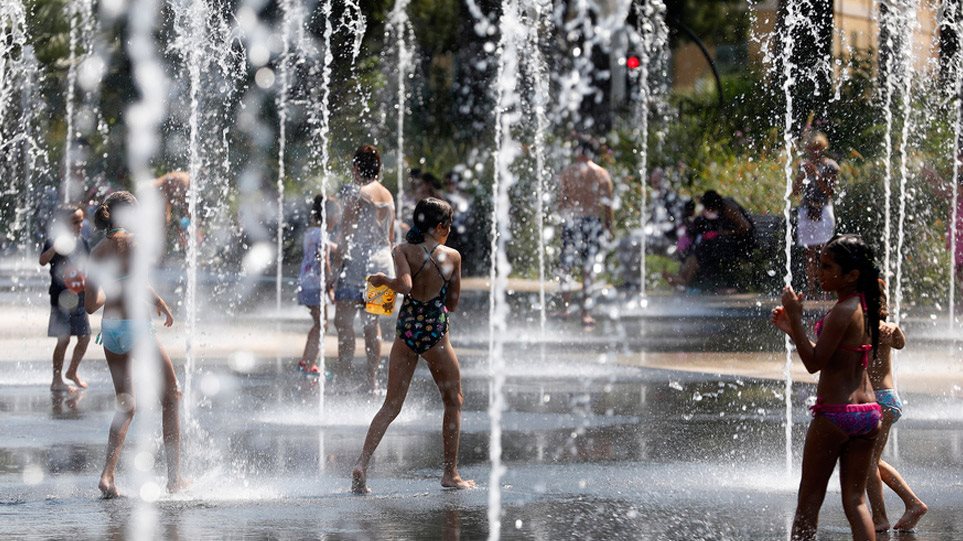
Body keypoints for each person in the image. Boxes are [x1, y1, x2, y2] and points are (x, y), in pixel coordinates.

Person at [351, 197, 474, 493]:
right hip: (435, 334)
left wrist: (383, 281)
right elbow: (453, 304)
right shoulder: (452, 257)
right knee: (453, 400)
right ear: (442, 227)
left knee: (391, 404)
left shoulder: (402, 250)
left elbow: (404, 286)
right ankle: (450, 474)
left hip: (406, 331)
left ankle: (362, 464)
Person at [771, 234, 882, 541]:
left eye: (827, 266)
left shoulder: (842, 311)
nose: (818, 272)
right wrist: (794, 331)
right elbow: (830, 356)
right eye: (819, 264)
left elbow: (813, 363)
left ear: (851, 275)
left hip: (835, 413)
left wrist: (795, 317)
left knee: (808, 502)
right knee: (856, 501)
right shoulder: (864, 307)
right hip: (868, 413)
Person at [83, 191, 185, 498]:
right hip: (137, 328)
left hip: (110, 331)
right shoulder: (137, 243)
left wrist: (157, 301)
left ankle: (107, 477)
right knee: (172, 395)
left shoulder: (97, 250)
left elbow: (90, 305)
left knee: (126, 406)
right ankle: (174, 479)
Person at [333, 145, 395, 392]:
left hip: (357, 264)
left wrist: (333, 272)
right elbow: (390, 236)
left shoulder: (358, 195)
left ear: (357, 168)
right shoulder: (388, 196)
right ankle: (372, 380)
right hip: (382, 264)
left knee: (343, 322)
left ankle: (344, 378)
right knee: (373, 324)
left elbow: (345, 237)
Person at [866, 280, 927, 532]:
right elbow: (900, 343)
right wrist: (895, 330)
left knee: (867, 462)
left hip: (876, 400)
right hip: (890, 398)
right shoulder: (888, 328)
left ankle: (880, 518)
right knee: (872, 460)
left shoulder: (865, 329)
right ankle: (912, 504)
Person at [557, 138, 614, 327]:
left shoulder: (568, 172)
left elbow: (562, 202)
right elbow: (608, 205)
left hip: (572, 221)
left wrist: (562, 222)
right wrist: (608, 226)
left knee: (566, 266)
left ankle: (565, 308)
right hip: (592, 222)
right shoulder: (602, 173)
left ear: (578, 152)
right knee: (588, 268)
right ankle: (585, 313)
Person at [39, 205, 91, 391]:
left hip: (79, 295)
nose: (80, 224)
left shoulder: (83, 243)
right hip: (60, 296)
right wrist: (55, 247)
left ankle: (72, 372)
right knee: (64, 339)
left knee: (84, 337)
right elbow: (43, 260)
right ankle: (57, 379)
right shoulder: (54, 241)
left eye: (81, 220)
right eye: (75, 221)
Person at [666, 190, 754, 290]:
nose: (708, 210)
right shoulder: (720, 207)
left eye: (708, 207)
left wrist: (724, 233)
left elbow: (746, 228)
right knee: (702, 246)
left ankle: (687, 280)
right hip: (727, 242)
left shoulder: (729, 208)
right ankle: (683, 277)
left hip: (744, 244)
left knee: (708, 246)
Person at [794, 133, 839, 295]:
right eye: (812, 149)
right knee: (809, 252)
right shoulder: (803, 165)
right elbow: (795, 191)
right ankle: (811, 287)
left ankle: (828, 286)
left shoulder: (831, 166)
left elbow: (829, 191)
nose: (815, 152)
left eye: (818, 149)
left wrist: (817, 175)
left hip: (823, 209)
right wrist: (801, 175)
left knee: (825, 250)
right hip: (807, 210)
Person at [296, 194, 334, 377]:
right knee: (322, 324)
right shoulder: (323, 235)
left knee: (320, 323)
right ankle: (309, 364)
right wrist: (330, 285)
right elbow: (324, 260)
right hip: (315, 284)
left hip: (306, 282)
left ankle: (306, 361)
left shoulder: (311, 232)